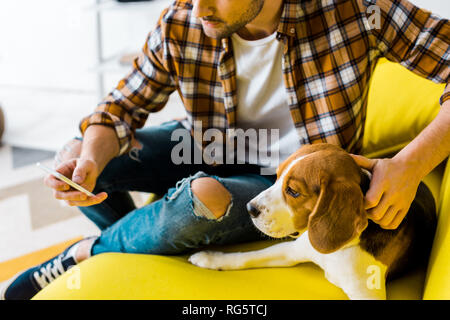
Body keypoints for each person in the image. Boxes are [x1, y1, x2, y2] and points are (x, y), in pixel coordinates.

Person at [1, 0, 449, 300]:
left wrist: (411, 164)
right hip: (205, 146)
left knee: (202, 198)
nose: (198, 9)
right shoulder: (184, 20)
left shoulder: (356, 10)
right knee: (82, 147)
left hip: (283, 183)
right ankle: (134, 238)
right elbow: (118, 110)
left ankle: (85, 252)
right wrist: (90, 159)